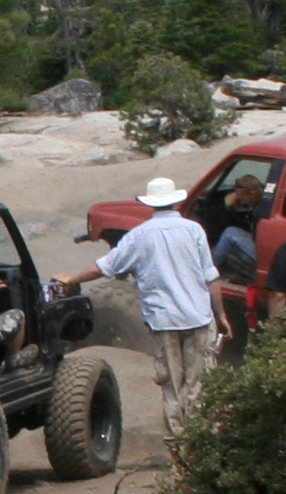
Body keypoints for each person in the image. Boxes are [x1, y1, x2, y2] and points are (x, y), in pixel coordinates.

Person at [58, 176, 216, 442]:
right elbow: (210, 276)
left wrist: (72, 280)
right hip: (197, 315)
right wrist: (220, 314)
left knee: (171, 384)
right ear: (176, 201)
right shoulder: (194, 230)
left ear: (150, 204)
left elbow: (104, 267)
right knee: (198, 380)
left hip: (164, 319)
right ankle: (202, 437)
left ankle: (179, 440)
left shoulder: (139, 235)